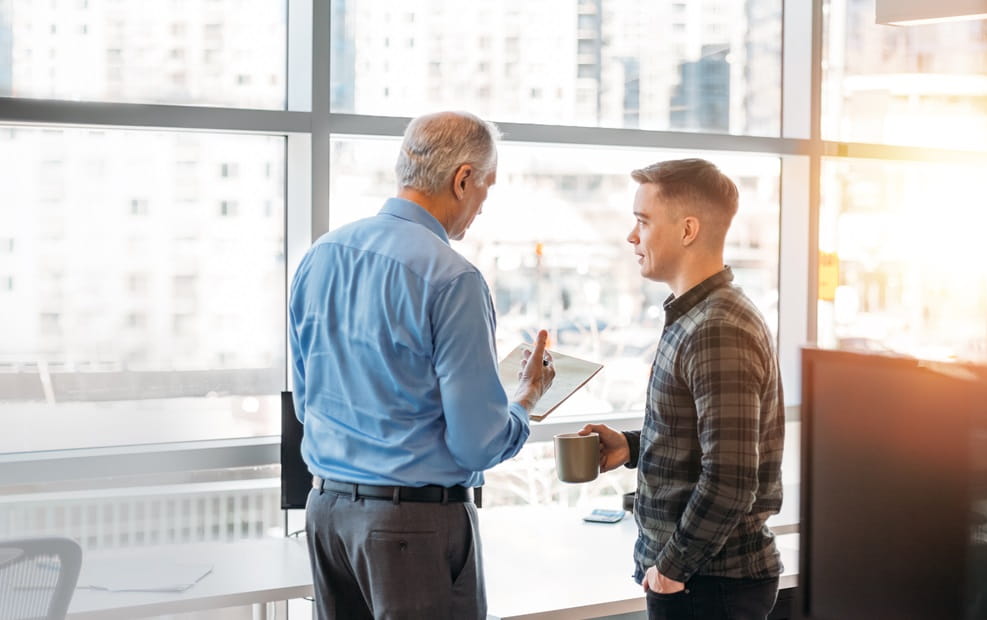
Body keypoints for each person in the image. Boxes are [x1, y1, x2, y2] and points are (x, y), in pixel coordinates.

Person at [288, 111, 555, 619]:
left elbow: (306, 403)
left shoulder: (320, 256)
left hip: (326, 517)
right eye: (485, 188)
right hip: (411, 529)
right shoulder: (453, 279)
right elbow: (475, 442)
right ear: (463, 180)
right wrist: (523, 399)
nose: (480, 207)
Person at [580, 158, 785, 619]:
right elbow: (705, 440)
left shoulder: (717, 327)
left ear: (688, 229)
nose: (632, 237)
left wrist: (670, 569)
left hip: (707, 584)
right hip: (699, 582)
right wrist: (632, 447)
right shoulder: (696, 316)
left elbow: (731, 481)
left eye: (643, 221)